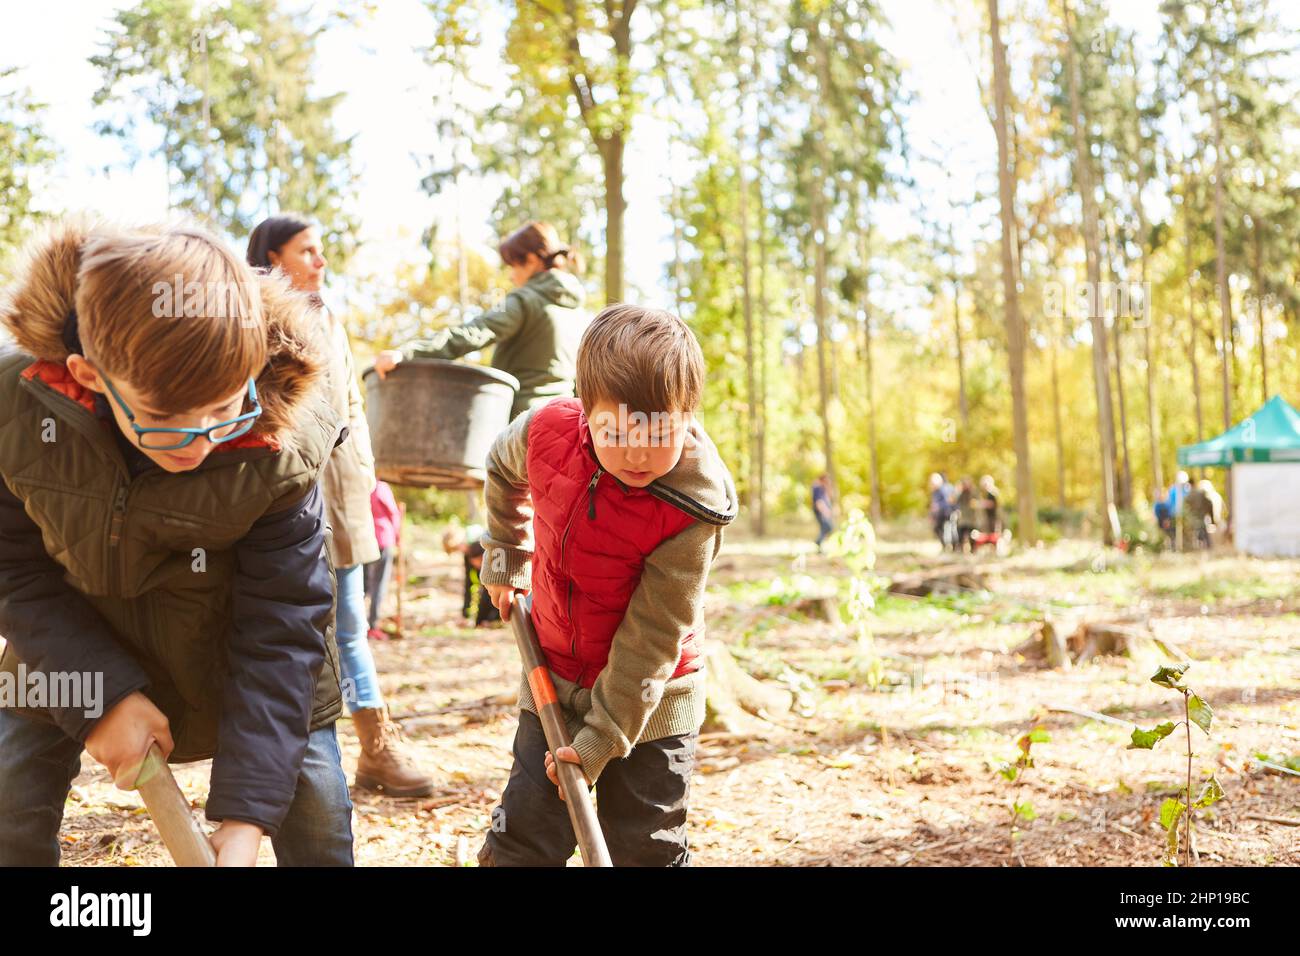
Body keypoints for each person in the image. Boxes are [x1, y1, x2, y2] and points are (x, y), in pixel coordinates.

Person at [0, 219, 353, 865]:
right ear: (90, 373)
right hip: (65, 635)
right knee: (7, 807)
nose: (200, 442)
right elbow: (14, 570)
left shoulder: (282, 447)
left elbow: (281, 624)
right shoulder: (14, 411)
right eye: (164, 419)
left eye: (224, 408)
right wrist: (99, 696)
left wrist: (246, 817)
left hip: (232, 640)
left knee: (316, 818)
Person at [476, 304, 737, 866]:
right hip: (554, 676)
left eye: (659, 431)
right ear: (583, 409)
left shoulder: (692, 507)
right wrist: (506, 553)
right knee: (523, 838)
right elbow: (500, 468)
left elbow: (654, 635)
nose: (637, 452)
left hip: (653, 702)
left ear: (687, 415)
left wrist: (602, 738)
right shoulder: (547, 431)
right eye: (615, 431)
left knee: (646, 846)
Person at [248, 214, 433, 798]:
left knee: (351, 625)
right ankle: (275, 758)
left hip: (345, 491)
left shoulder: (328, 317)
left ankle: (375, 750)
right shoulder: (250, 317)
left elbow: (352, 403)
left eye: (321, 251)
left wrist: (370, 477)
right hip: (283, 498)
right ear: (273, 258)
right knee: (286, 627)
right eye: (307, 252)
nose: (320, 261)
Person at [373, 221, 590, 421]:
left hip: (521, 427)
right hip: (565, 424)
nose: (511, 276)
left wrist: (409, 353)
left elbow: (475, 332)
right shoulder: (581, 314)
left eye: (513, 266)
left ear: (531, 260)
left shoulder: (523, 300)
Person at [442, 523, 500, 625]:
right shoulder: (468, 553)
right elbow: (468, 584)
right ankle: (485, 619)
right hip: (488, 586)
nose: (461, 550)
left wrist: (481, 620)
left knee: (490, 585)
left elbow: (489, 581)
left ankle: (493, 618)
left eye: (458, 547)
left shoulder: (479, 542)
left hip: (497, 577)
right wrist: (465, 614)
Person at [364, 480, 401, 640]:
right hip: (383, 540)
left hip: (366, 540)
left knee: (364, 585)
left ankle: (360, 624)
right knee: (378, 585)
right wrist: (397, 537)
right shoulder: (380, 487)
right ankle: (372, 626)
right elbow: (393, 513)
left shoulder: (363, 486)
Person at [811, 473, 834, 552]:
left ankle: (819, 544)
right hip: (820, 511)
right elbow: (819, 502)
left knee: (825, 528)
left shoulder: (822, 488)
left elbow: (828, 497)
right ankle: (818, 541)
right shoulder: (817, 487)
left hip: (823, 510)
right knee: (828, 527)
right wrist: (825, 512)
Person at [952, 477, 976, 552]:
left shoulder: (973, 492)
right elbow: (953, 500)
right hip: (963, 518)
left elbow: (976, 502)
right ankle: (961, 549)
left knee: (971, 535)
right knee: (961, 534)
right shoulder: (961, 493)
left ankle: (973, 549)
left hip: (971, 518)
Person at [928, 472, 951, 547]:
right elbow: (933, 505)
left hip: (945, 514)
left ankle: (947, 545)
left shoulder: (943, 490)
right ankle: (944, 545)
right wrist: (931, 515)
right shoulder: (935, 492)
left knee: (945, 530)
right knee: (937, 530)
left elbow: (947, 502)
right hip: (938, 515)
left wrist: (938, 506)